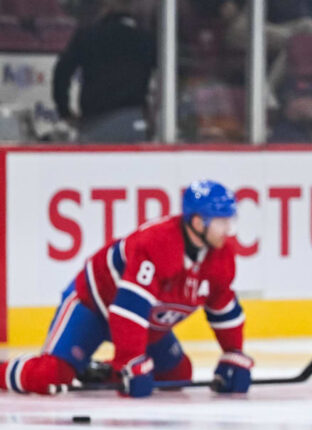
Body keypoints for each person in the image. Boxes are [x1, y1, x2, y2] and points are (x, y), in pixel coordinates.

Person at [0, 181, 253, 398]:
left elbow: (223, 308)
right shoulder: (157, 243)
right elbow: (129, 308)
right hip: (94, 307)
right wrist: (130, 361)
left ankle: (101, 372)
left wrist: (233, 354)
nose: (228, 229)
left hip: (145, 323)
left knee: (178, 374)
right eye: (221, 221)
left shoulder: (221, 257)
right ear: (198, 223)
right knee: (52, 375)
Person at [52, 0, 157, 143]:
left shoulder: (88, 35)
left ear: (106, 6)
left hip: (94, 123)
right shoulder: (145, 39)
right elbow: (166, 78)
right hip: (133, 122)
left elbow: (62, 73)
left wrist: (65, 111)